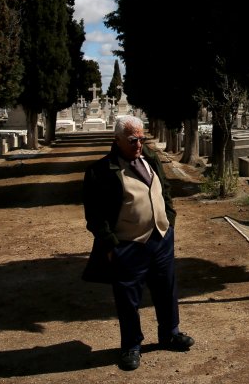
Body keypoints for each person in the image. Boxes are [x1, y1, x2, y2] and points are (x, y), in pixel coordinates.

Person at [82, 116, 193, 371]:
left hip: (161, 238)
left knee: (166, 288)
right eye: (133, 140)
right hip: (129, 244)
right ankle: (131, 345)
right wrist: (111, 245)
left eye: (141, 138)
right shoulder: (100, 171)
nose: (139, 144)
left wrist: (169, 219)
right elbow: (95, 215)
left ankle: (170, 333)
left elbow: (164, 191)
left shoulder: (151, 159)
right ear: (118, 140)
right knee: (128, 298)